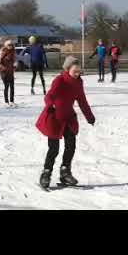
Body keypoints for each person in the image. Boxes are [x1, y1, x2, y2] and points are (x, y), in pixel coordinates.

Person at [37, 56, 95, 189]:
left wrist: (89, 116)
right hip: (54, 118)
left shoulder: (78, 83)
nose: (77, 74)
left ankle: (65, 172)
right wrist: (50, 104)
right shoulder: (60, 80)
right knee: (54, 149)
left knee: (71, 146)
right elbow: (49, 95)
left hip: (68, 118)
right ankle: (46, 173)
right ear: (67, 69)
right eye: (75, 71)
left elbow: (82, 101)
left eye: (79, 71)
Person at [0, 40, 16, 107]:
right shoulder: (3, 51)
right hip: (4, 71)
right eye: (9, 45)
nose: (10, 46)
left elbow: (14, 61)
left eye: (11, 45)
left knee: (12, 87)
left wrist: (15, 65)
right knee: (6, 86)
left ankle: (12, 101)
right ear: (6, 45)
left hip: (10, 72)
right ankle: (6, 101)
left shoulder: (13, 52)